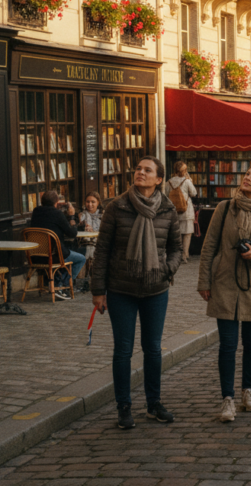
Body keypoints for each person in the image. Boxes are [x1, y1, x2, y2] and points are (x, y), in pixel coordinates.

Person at [89, 156, 183, 430]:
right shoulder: (116, 207)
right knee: (123, 350)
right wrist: (98, 290)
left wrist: (167, 269)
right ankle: (124, 406)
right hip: (121, 289)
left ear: (158, 179)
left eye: (147, 170)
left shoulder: (168, 209)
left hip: (156, 289)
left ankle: (153, 404)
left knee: (153, 349)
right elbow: (103, 250)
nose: (140, 173)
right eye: (138, 169)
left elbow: (177, 248)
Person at [198, 164, 251, 423]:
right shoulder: (225, 209)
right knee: (227, 344)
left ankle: (248, 391)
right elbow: (209, 245)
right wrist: (204, 281)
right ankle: (228, 398)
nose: (247, 178)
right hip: (224, 282)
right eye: (246, 174)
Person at [29, 190, 86, 299]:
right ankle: (62, 285)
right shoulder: (57, 214)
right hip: (54, 256)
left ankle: (57, 283)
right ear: (56, 203)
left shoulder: (36, 211)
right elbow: (72, 233)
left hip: (36, 256)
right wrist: (71, 216)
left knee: (66, 252)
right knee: (81, 258)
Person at [163, 161, 198, 264]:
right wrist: (190, 180)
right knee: (187, 234)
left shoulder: (169, 182)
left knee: (176, 234)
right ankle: (184, 255)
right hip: (186, 212)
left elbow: (165, 196)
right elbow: (194, 193)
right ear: (184, 171)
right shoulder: (187, 181)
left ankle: (175, 255)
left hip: (174, 212)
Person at [77, 192, 103, 276]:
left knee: (92, 250)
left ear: (98, 202)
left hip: (99, 244)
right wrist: (81, 225)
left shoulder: (103, 215)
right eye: (88, 201)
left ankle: (92, 278)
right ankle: (83, 281)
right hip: (83, 244)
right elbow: (76, 231)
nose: (90, 204)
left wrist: (94, 231)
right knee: (85, 250)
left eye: (93, 202)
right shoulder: (81, 215)